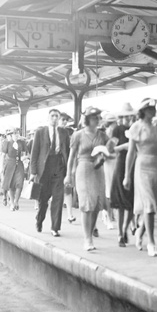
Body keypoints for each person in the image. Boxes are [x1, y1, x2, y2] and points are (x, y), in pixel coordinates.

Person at [124, 98, 157, 257]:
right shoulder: (136, 127)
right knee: (149, 205)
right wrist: (126, 176)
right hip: (142, 167)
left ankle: (140, 232)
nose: (154, 110)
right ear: (143, 111)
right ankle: (151, 242)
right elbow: (131, 153)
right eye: (150, 108)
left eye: (154, 107)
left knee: (153, 206)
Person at [66, 107, 109, 251]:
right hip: (83, 168)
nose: (97, 119)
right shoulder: (78, 135)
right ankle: (87, 238)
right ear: (87, 119)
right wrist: (69, 174)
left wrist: (104, 155)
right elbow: (72, 157)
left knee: (96, 204)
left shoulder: (102, 135)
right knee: (86, 203)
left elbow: (110, 149)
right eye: (94, 117)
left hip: (98, 169)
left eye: (98, 117)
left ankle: (91, 232)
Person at [31, 109, 70, 237]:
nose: (54, 118)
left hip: (58, 166)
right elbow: (34, 153)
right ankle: (39, 220)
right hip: (44, 169)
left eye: (56, 116)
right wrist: (33, 171)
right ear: (48, 118)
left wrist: (69, 171)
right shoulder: (40, 132)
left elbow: (68, 153)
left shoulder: (64, 133)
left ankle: (55, 227)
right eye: (52, 116)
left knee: (58, 198)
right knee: (43, 199)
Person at [110, 103, 135, 247]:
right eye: (125, 116)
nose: (127, 118)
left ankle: (125, 228)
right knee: (119, 203)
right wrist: (126, 146)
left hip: (133, 166)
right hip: (120, 166)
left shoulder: (136, 128)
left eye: (129, 115)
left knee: (131, 203)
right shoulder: (117, 130)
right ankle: (120, 234)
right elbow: (111, 148)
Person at [101, 113, 119, 231]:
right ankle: (108, 217)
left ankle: (109, 215)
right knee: (108, 191)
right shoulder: (104, 136)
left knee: (114, 191)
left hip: (117, 163)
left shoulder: (118, 135)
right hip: (108, 164)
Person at [2, 128, 27, 211]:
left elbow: (26, 152)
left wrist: (25, 158)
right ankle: (12, 203)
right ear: (11, 135)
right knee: (10, 185)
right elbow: (3, 155)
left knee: (20, 183)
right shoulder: (7, 143)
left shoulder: (21, 143)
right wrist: (2, 166)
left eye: (17, 134)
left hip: (19, 164)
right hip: (10, 164)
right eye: (14, 134)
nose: (16, 135)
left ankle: (16, 201)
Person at [60, 114, 78, 225]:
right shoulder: (48, 133)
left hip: (65, 165)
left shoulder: (68, 133)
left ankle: (70, 214)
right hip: (52, 166)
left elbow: (71, 153)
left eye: (66, 120)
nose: (64, 122)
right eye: (63, 120)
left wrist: (71, 168)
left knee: (67, 189)